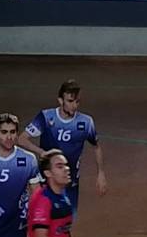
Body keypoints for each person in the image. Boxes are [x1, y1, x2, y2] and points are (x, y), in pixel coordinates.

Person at [18, 79, 106, 214]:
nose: (74, 106)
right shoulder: (46, 117)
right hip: (46, 180)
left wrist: (101, 173)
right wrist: (41, 152)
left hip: (70, 181)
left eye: (77, 101)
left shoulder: (86, 122)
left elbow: (97, 146)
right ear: (60, 100)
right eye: (70, 101)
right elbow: (22, 139)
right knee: (43, 218)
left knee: (65, 222)